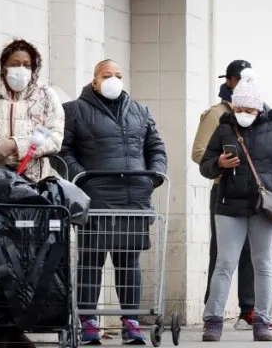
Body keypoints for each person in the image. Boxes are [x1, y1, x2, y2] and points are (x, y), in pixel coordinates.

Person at [0, 39, 64, 347]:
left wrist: (16, 145)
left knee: (24, 258)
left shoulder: (46, 97)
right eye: (15, 64)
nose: (21, 70)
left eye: (27, 65)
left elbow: (55, 137)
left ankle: (14, 327)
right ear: (3, 65)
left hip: (27, 191)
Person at [59, 59, 168, 344]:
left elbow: (155, 147)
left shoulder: (140, 111)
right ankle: (88, 323)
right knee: (90, 263)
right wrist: (81, 177)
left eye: (118, 75)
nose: (113, 80)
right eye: (107, 75)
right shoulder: (74, 111)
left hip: (134, 199)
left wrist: (153, 177)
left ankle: (131, 323)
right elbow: (63, 151)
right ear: (94, 80)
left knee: (129, 264)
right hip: (95, 200)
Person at [200, 70, 272, 342]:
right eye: (239, 107)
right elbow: (205, 166)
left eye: (249, 108)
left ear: (259, 107)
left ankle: (262, 321)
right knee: (224, 263)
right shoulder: (224, 127)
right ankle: (213, 320)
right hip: (228, 204)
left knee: (263, 264)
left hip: (262, 207)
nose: (244, 112)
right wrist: (218, 164)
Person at [191, 60, 262, 330]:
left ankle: (248, 309)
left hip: (253, 194)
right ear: (231, 81)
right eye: (242, 80)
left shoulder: (258, 114)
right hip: (225, 190)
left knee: (252, 254)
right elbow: (199, 153)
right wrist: (221, 161)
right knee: (222, 255)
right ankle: (213, 310)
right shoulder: (216, 114)